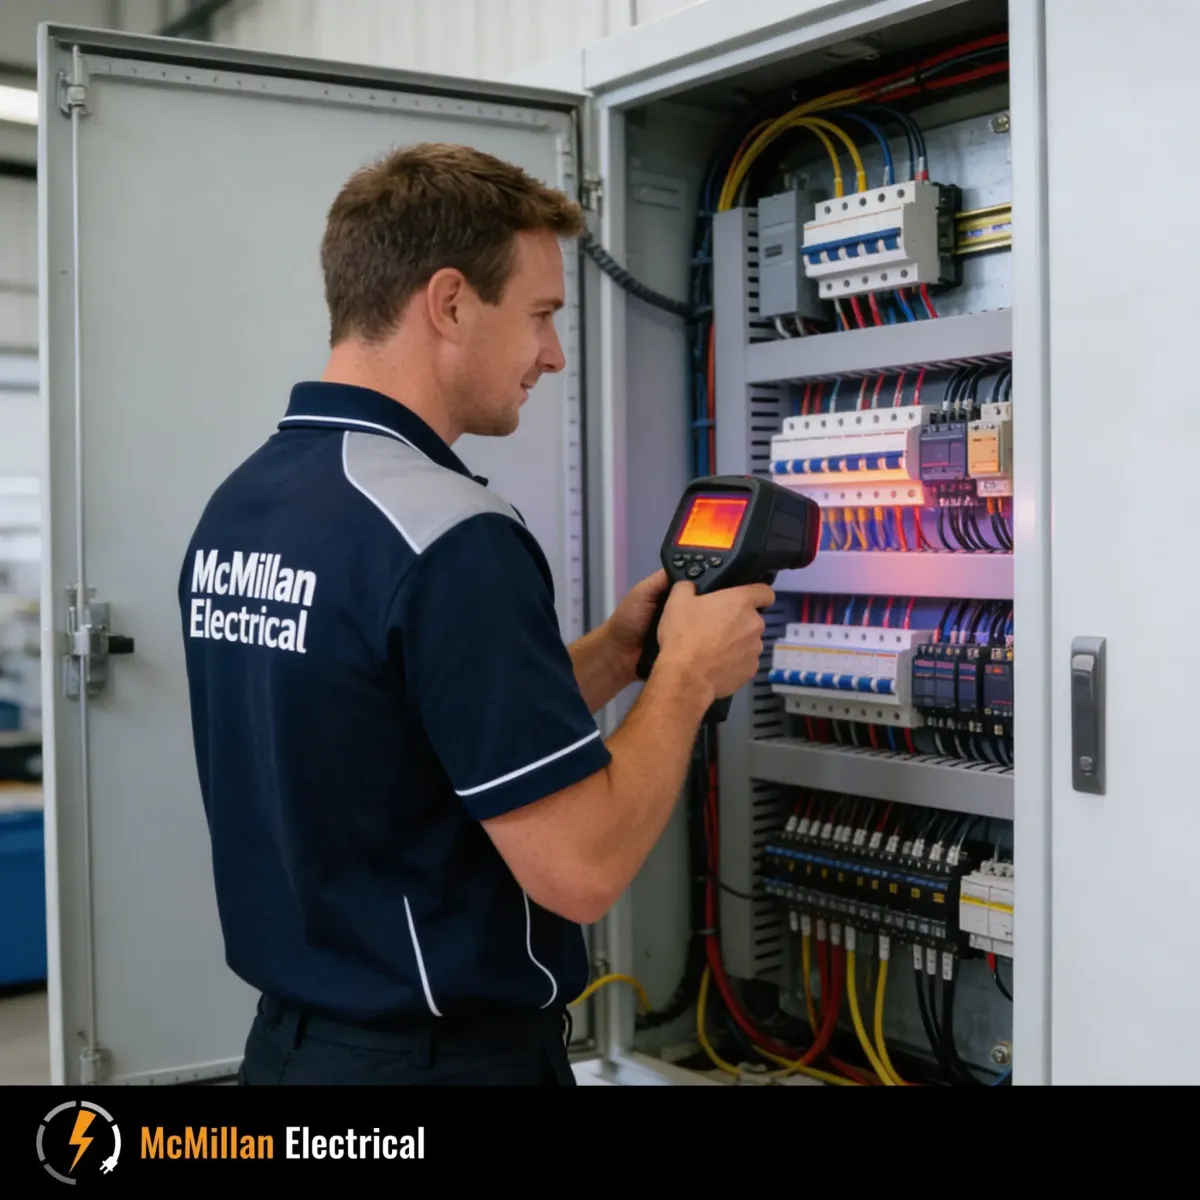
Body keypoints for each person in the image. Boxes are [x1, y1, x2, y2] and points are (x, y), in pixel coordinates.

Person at [177, 142, 773, 1086]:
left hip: (293, 1057)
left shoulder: (247, 503)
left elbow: (401, 729)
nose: (554, 353)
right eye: (540, 314)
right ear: (450, 302)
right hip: (438, 1067)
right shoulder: (448, 536)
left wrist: (617, 658)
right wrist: (690, 678)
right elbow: (579, 869)